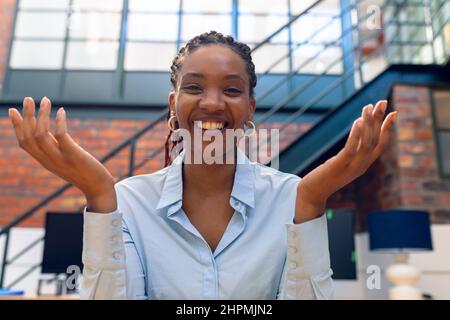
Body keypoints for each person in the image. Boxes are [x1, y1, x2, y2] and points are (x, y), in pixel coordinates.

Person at [8, 31, 397, 300]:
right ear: (173, 105)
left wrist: (312, 201)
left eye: (231, 89)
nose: (212, 103)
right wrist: (97, 193)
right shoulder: (127, 201)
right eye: (194, 87)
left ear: (250, 110)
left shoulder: (292, 197)